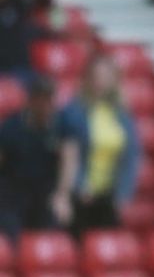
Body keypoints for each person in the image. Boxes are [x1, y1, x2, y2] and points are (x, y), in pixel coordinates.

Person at [60, 54, 141, 236]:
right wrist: (80, 184)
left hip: (109, 195)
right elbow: (70, 153)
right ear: (87, 79)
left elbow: (131, 155)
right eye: (96, 76)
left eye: (106, 77)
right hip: (81, 195)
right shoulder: (74, 111)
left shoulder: (122, 114)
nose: (100, 82)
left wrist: (123, 194)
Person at [0, 76, 76, 240]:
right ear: (30, 100)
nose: (44, 105)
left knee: (53, 233)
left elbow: (69, 159)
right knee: (11, 237)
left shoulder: (61, 125)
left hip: (46, 196)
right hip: (14, 195)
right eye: (40, 98)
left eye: (48, 99)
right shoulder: (11, 127)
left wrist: (63, 195)